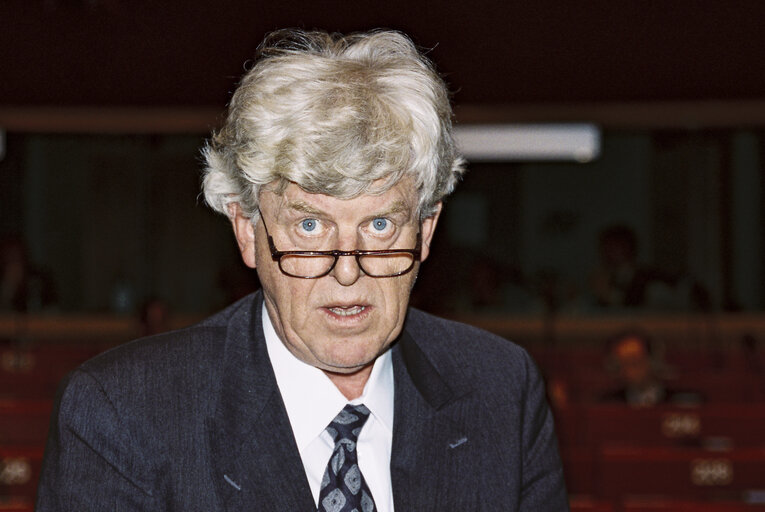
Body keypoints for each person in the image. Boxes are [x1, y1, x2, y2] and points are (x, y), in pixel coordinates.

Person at [36, 29, 567, 510]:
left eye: (380, 225)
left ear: (426, 232)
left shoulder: (502, 390)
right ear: (248, 231)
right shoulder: (123, 413)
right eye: (310, 227)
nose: (347, 272)